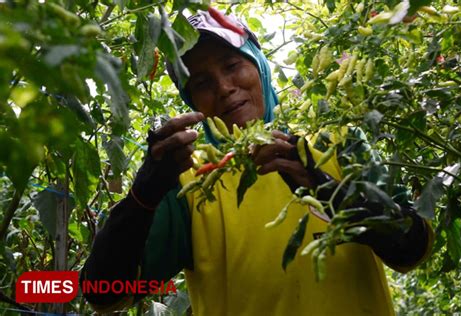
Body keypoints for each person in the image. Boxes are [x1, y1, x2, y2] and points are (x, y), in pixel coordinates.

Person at [81, 9, 433, 316]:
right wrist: (142, 197)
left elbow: (412, 248)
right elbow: (102, 295)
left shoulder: (335, 141)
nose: (223, 87)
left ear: (258, 64)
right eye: (201, 82)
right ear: (191, 100)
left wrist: (330, 191)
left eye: (232, 65)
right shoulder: (190, 179)